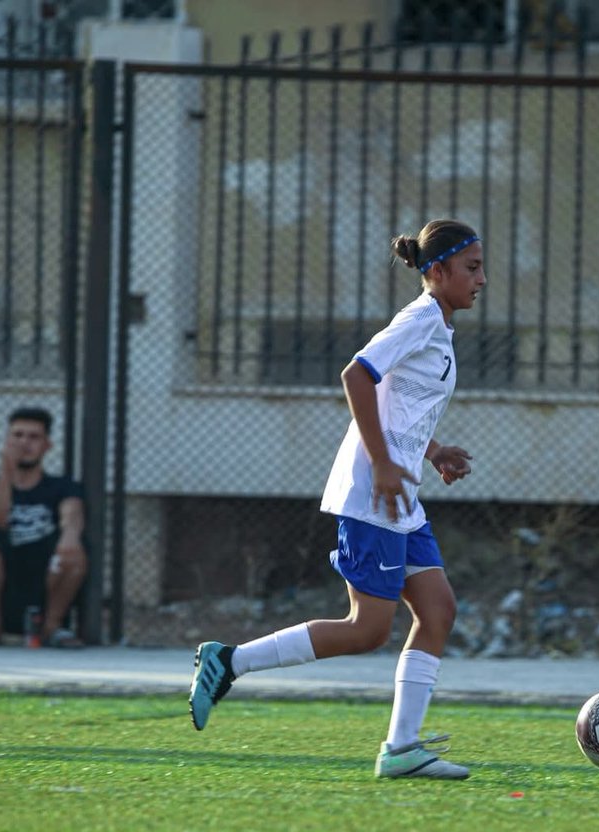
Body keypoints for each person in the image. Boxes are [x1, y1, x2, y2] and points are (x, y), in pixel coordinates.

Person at [189, 219, 486, 780]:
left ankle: (402, 749)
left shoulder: (439, 328)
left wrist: (434, 449)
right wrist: (381, 463)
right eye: (471, 268)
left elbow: (400, 404)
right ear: (437, 271)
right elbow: (357, 374)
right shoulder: (419, 319)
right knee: (367, 629)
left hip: (401, 497)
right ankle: (228, 661)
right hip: (375, 496)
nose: (482, 279)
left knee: (438, 609)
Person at [0, 406, 87, 647]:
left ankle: (53, 628)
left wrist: (71, 535)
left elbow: (72, 512)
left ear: (47, 446)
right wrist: (6, 471)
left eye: (34, 437)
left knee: (76, 549)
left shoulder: (62, 485)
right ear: (6, 440)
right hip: (1, 579)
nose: (25, 443)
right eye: (18, 435)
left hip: (45, 577)